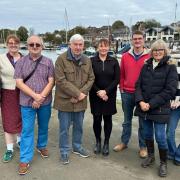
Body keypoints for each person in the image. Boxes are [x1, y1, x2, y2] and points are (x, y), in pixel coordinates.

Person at [134, 39, 178, 177]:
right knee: (147, 134)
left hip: (159, 109)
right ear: (151, 52)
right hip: (144, 108)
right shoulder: (146, 66)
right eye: (155, 50)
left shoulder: (170, 67)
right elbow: (138, 85)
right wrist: (140, 101)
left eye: (160, 50)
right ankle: (151, 156)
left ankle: (163, 162)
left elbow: (170, 91)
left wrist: (150, 104)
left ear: (165, 51)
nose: (157, 52)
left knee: (160, 137)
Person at [14, 35, 54, 175]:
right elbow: (19, 82)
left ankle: (41, 146)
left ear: (42, 46)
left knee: (44, 126)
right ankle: (25, 159)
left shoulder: (49, 62)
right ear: (27, 46)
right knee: (27, 130)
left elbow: (51, 81)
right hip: (26, 102)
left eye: (38, 44)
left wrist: (41, 98)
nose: (35, 47)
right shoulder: (20, 62)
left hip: (45, 102)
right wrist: (35, 96)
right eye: (32, 44)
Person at [54, 34, 94, 165]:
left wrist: (81, 94)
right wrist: (78, 94)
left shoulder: (87, 60)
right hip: (64, 101)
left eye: (80, 44)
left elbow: (91, 78)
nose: (78, 47)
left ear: (83, 46)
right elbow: (60, 81)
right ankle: (64, 151)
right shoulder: (61, 59)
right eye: (75, 44)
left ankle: (77, 147)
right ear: (70, 44)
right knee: (64, 128)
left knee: (79, 126)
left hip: (81, 101)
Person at [113, 31, 150, 158]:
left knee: (142, 123)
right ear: (131, 40)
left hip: (143, 96)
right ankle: (124, 142)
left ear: (143, 40)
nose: (137, 41)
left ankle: (143, 146)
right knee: (126, 121)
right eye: (135, 39)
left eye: (140, 38)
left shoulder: (149, 56)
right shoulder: (125, 56)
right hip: (127, 93)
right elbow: (121, 74)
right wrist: (122, 88)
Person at [89, 39, 120, 156]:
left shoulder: (114, 61)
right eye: (101, 46)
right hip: (95, 95)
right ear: (97, 48)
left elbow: (116, 79)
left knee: (107, 119)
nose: (103, 48)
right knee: (96, 119)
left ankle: (106, 142)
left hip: (109, 95)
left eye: (106, 46)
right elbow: (89, 79)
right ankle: (98, 141)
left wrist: (106, 91)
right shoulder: (91, 61)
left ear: (109, 47)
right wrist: (99, 92)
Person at [0, 35, 22, 162]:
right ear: (7, 44)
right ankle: (9, 149)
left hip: (24, 93)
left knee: (22, 118)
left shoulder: (25, 58)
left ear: (19, 44)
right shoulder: (1, 58)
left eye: (16, 43)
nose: (13, 45)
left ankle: (19, 141)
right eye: (10, 43)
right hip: (7, 94)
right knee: (8, 120)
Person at [166, 57, 180, 166]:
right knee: (169, 132)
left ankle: (178, 155)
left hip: (178, 103)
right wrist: (170, 100)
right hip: (173, 106)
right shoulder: (168, 75)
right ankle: (171, 152)